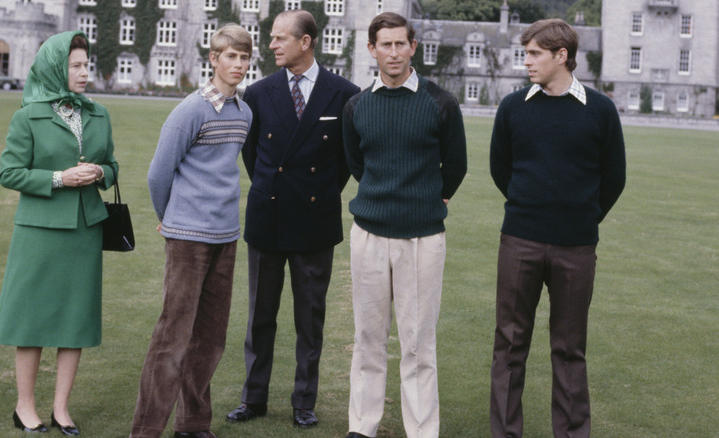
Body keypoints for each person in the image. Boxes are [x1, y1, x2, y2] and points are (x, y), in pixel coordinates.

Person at [488, 18, 626, 438]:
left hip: (576, 247)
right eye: (524, 53)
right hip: (520, 241)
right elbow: (501, 168)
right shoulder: (514, 106)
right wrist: (531, 207)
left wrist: (580, 216)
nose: (526, 61)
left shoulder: (600, 109)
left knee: (569, 349)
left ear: (561, 56)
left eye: (534, 54)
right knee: (509, 345)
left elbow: (613, 177)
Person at [225, 9, 360, 429]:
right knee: (259, 317)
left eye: (280, 38)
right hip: (268, 216)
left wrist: (315, 196)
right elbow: (253, 156)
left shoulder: (345, 93)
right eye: (271, 37)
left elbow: (346, 162)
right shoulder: (259, 93)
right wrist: (272, 189)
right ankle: (254, 398)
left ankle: (304, 400)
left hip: (316, 219)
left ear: (306, 42)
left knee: (310, 319)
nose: (271, 45)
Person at [341, 12, 467, 438]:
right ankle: (362, 426)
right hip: (370, 235)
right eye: (385, 44)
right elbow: (358, 164)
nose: (393, 52)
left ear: (413, 47)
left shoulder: (440, 103)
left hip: (422, 238)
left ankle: (421, 429)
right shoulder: (357, 105)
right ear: (372, 49)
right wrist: (385, 197)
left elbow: (456, 166)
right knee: (367, 338)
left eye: (400, 44)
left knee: (418, 343)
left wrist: (428, 200)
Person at [128, 24, 253, 438]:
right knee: (172, 337)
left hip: (226, 236)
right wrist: (171, 219)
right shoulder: (190, 111)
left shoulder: (244, 112)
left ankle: (194, 424)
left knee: (210, 339)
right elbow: (157, 174)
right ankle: (146, 430)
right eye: (230, 56)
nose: (238, 64)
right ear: (213, 60)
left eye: (244, 57)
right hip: (187, 239)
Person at [0, 30, 118, 436]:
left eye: (86, 65)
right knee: (31, 322)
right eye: (76, 66)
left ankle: (62, 408)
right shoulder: (27, 115)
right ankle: (24, 407)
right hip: (39, 233)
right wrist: (60, 178)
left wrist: (101, 171)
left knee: (74, 321)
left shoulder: (99, 113)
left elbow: (113, 165)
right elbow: (9, 172)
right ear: (55, 67)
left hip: (84, 231)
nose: (84, 73)